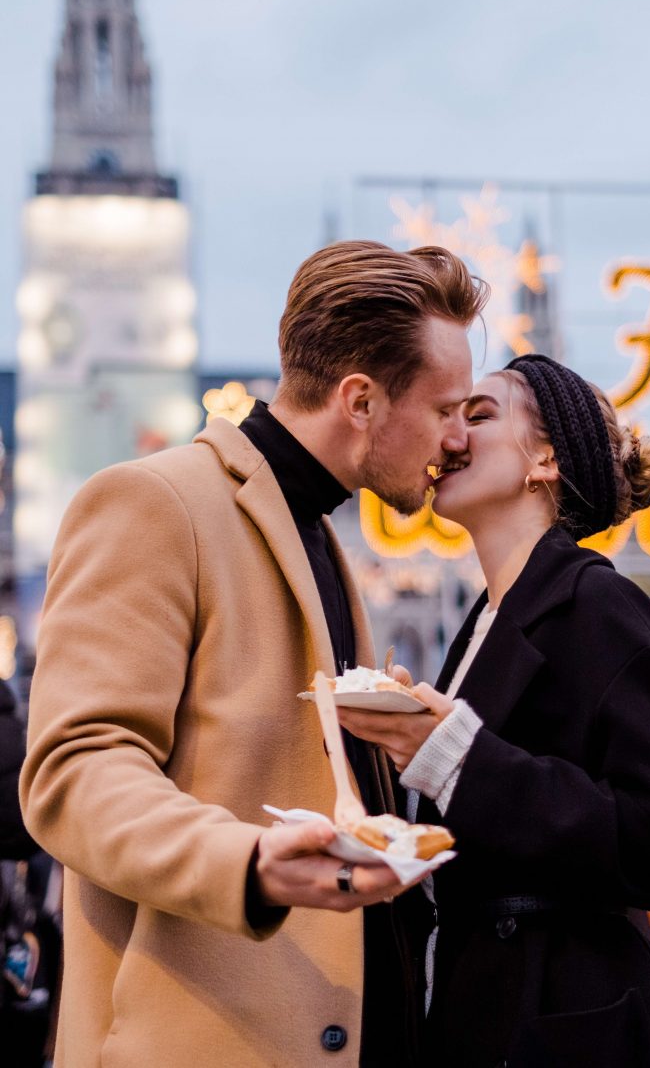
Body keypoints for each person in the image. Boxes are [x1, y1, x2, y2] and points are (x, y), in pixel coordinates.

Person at [19, 240, 488, 1068]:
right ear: (361, 400)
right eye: (447, 408)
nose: (459, 439)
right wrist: (247, 863)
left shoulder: (319, 530)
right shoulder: (154, 502)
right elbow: (74, 769)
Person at [340, 353, 650, 1067]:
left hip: (574, 1019)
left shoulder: (607, 610)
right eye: (450, 417)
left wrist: (453, 753)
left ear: (544, 458)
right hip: (483, 1006)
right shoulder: (485, 620)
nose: (451, 437)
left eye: (478, 415)